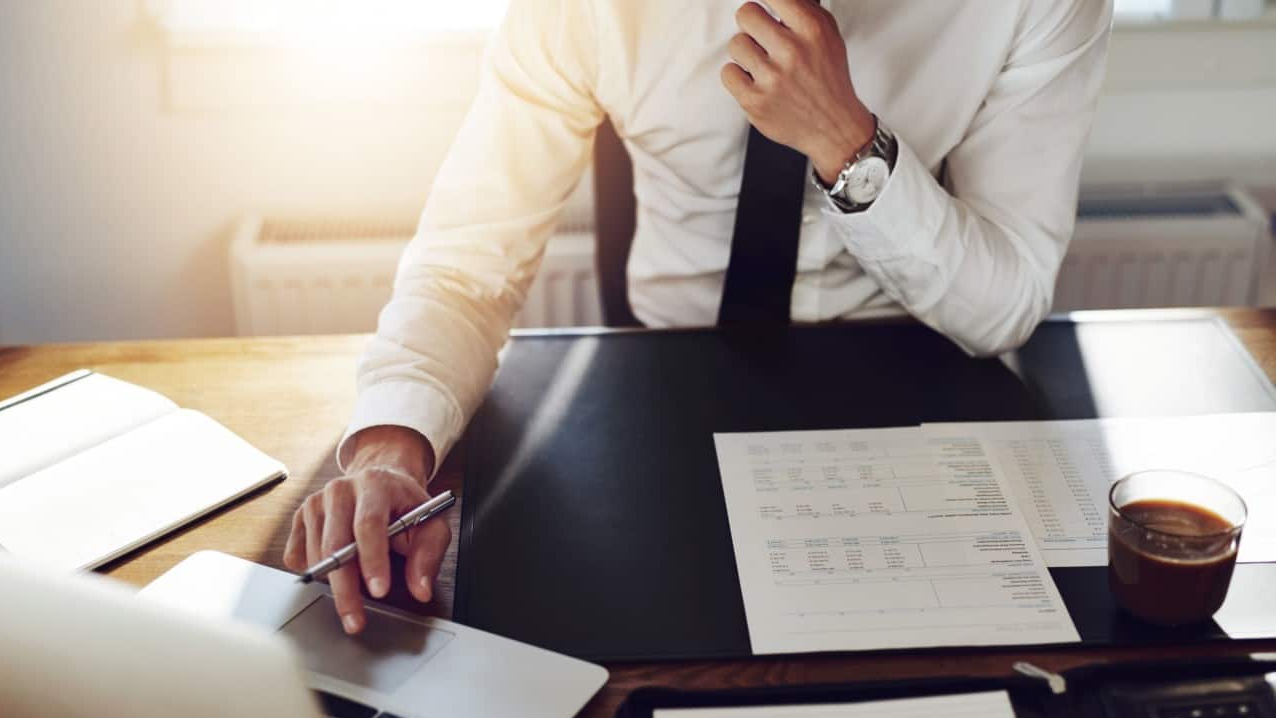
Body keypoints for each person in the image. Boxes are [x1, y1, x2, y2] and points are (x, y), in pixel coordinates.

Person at [284, 0, 1114, 634]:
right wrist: (391, 448)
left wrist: (846, 141)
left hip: (913, 391)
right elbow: (468, 262)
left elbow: (1005, 305)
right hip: (657, 396)